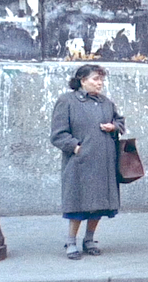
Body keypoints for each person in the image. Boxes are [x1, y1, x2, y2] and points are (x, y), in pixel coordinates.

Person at [50, 64, 126, 260]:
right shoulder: (66, 101)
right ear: (82, 80)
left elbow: (120, 122)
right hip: (79, 163)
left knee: (99, 204)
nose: (99, 83)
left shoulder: (106, 103)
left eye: (101, 79)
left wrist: (114, 126)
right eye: (95, 79)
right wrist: (77, 148)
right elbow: (58, 135)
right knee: (77, 205)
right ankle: (71, 241)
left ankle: (89, 239)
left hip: (104, 162)